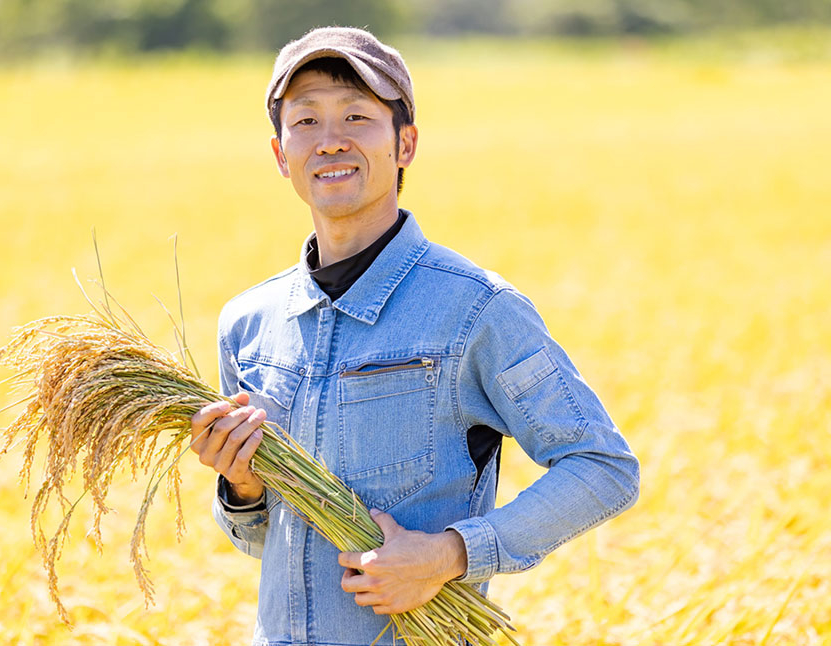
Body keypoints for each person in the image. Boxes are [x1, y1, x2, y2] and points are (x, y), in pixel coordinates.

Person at [188, 26, 640, 646]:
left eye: (356, 116)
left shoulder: (475, 309)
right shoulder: (248, 324)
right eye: (307, 121)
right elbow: (263, 541)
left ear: (405, 143)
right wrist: (240, 487)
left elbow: (603, 467)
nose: (331, 141)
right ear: (279, 153)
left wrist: (449, 555)